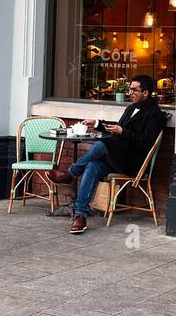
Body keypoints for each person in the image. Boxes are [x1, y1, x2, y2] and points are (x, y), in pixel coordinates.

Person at [48, 74, 166, 234]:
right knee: (92, 165)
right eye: (129, 89)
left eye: (134, 90)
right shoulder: (131, 108)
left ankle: (71, 173)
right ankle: (81, 215)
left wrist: (124, 132)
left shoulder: (155, 114)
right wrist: (96, 123)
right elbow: (115, 130)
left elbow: (145, 144)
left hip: (134, 162)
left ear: (145, 93)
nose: (130, 93)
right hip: (118, 157)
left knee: (101, 145)